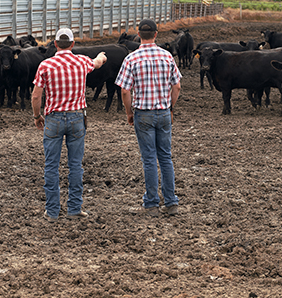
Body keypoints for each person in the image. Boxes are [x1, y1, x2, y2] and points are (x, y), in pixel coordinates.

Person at [32, 28, 107, 222]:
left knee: (51, 165)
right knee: (75, 165)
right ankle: (74, 208)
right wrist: (100, 56)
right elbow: (97, 63)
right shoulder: (82, 61)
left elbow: (36, 95)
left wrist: (37, 115)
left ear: (55, 44)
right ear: (72, 44)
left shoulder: (45, 65)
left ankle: (53, 211)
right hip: (76, 118)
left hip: (53, 118)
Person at [115, 19, 182, 217]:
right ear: (156, 34)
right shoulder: (167, 56)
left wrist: (129, 112)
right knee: (166, 157)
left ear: (138, 34)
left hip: (143, 113)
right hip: (163, 112)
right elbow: (177, 86)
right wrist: (170, 107)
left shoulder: (131, 58)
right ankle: (171, 202)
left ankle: (152, 203)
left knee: (149, 159)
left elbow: (125, 90)